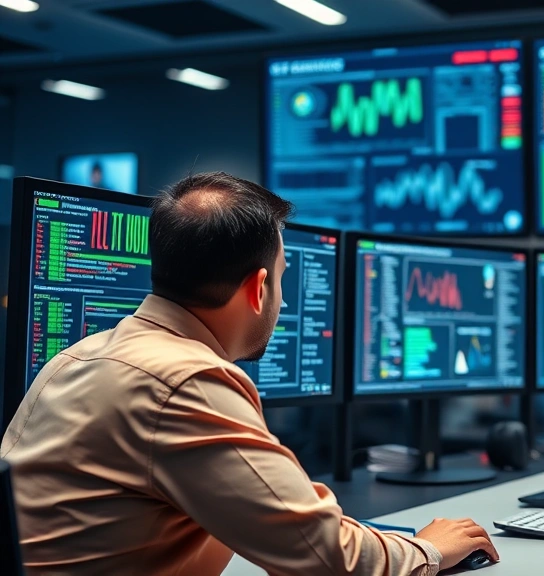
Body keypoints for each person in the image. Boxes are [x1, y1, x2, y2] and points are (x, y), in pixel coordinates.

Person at [1, 172, 498, 575]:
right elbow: (329, 560)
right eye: (282, 280)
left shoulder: (79, 355)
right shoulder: (185, 379)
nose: (282, 301)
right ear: (259, 288)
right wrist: (430, 549)